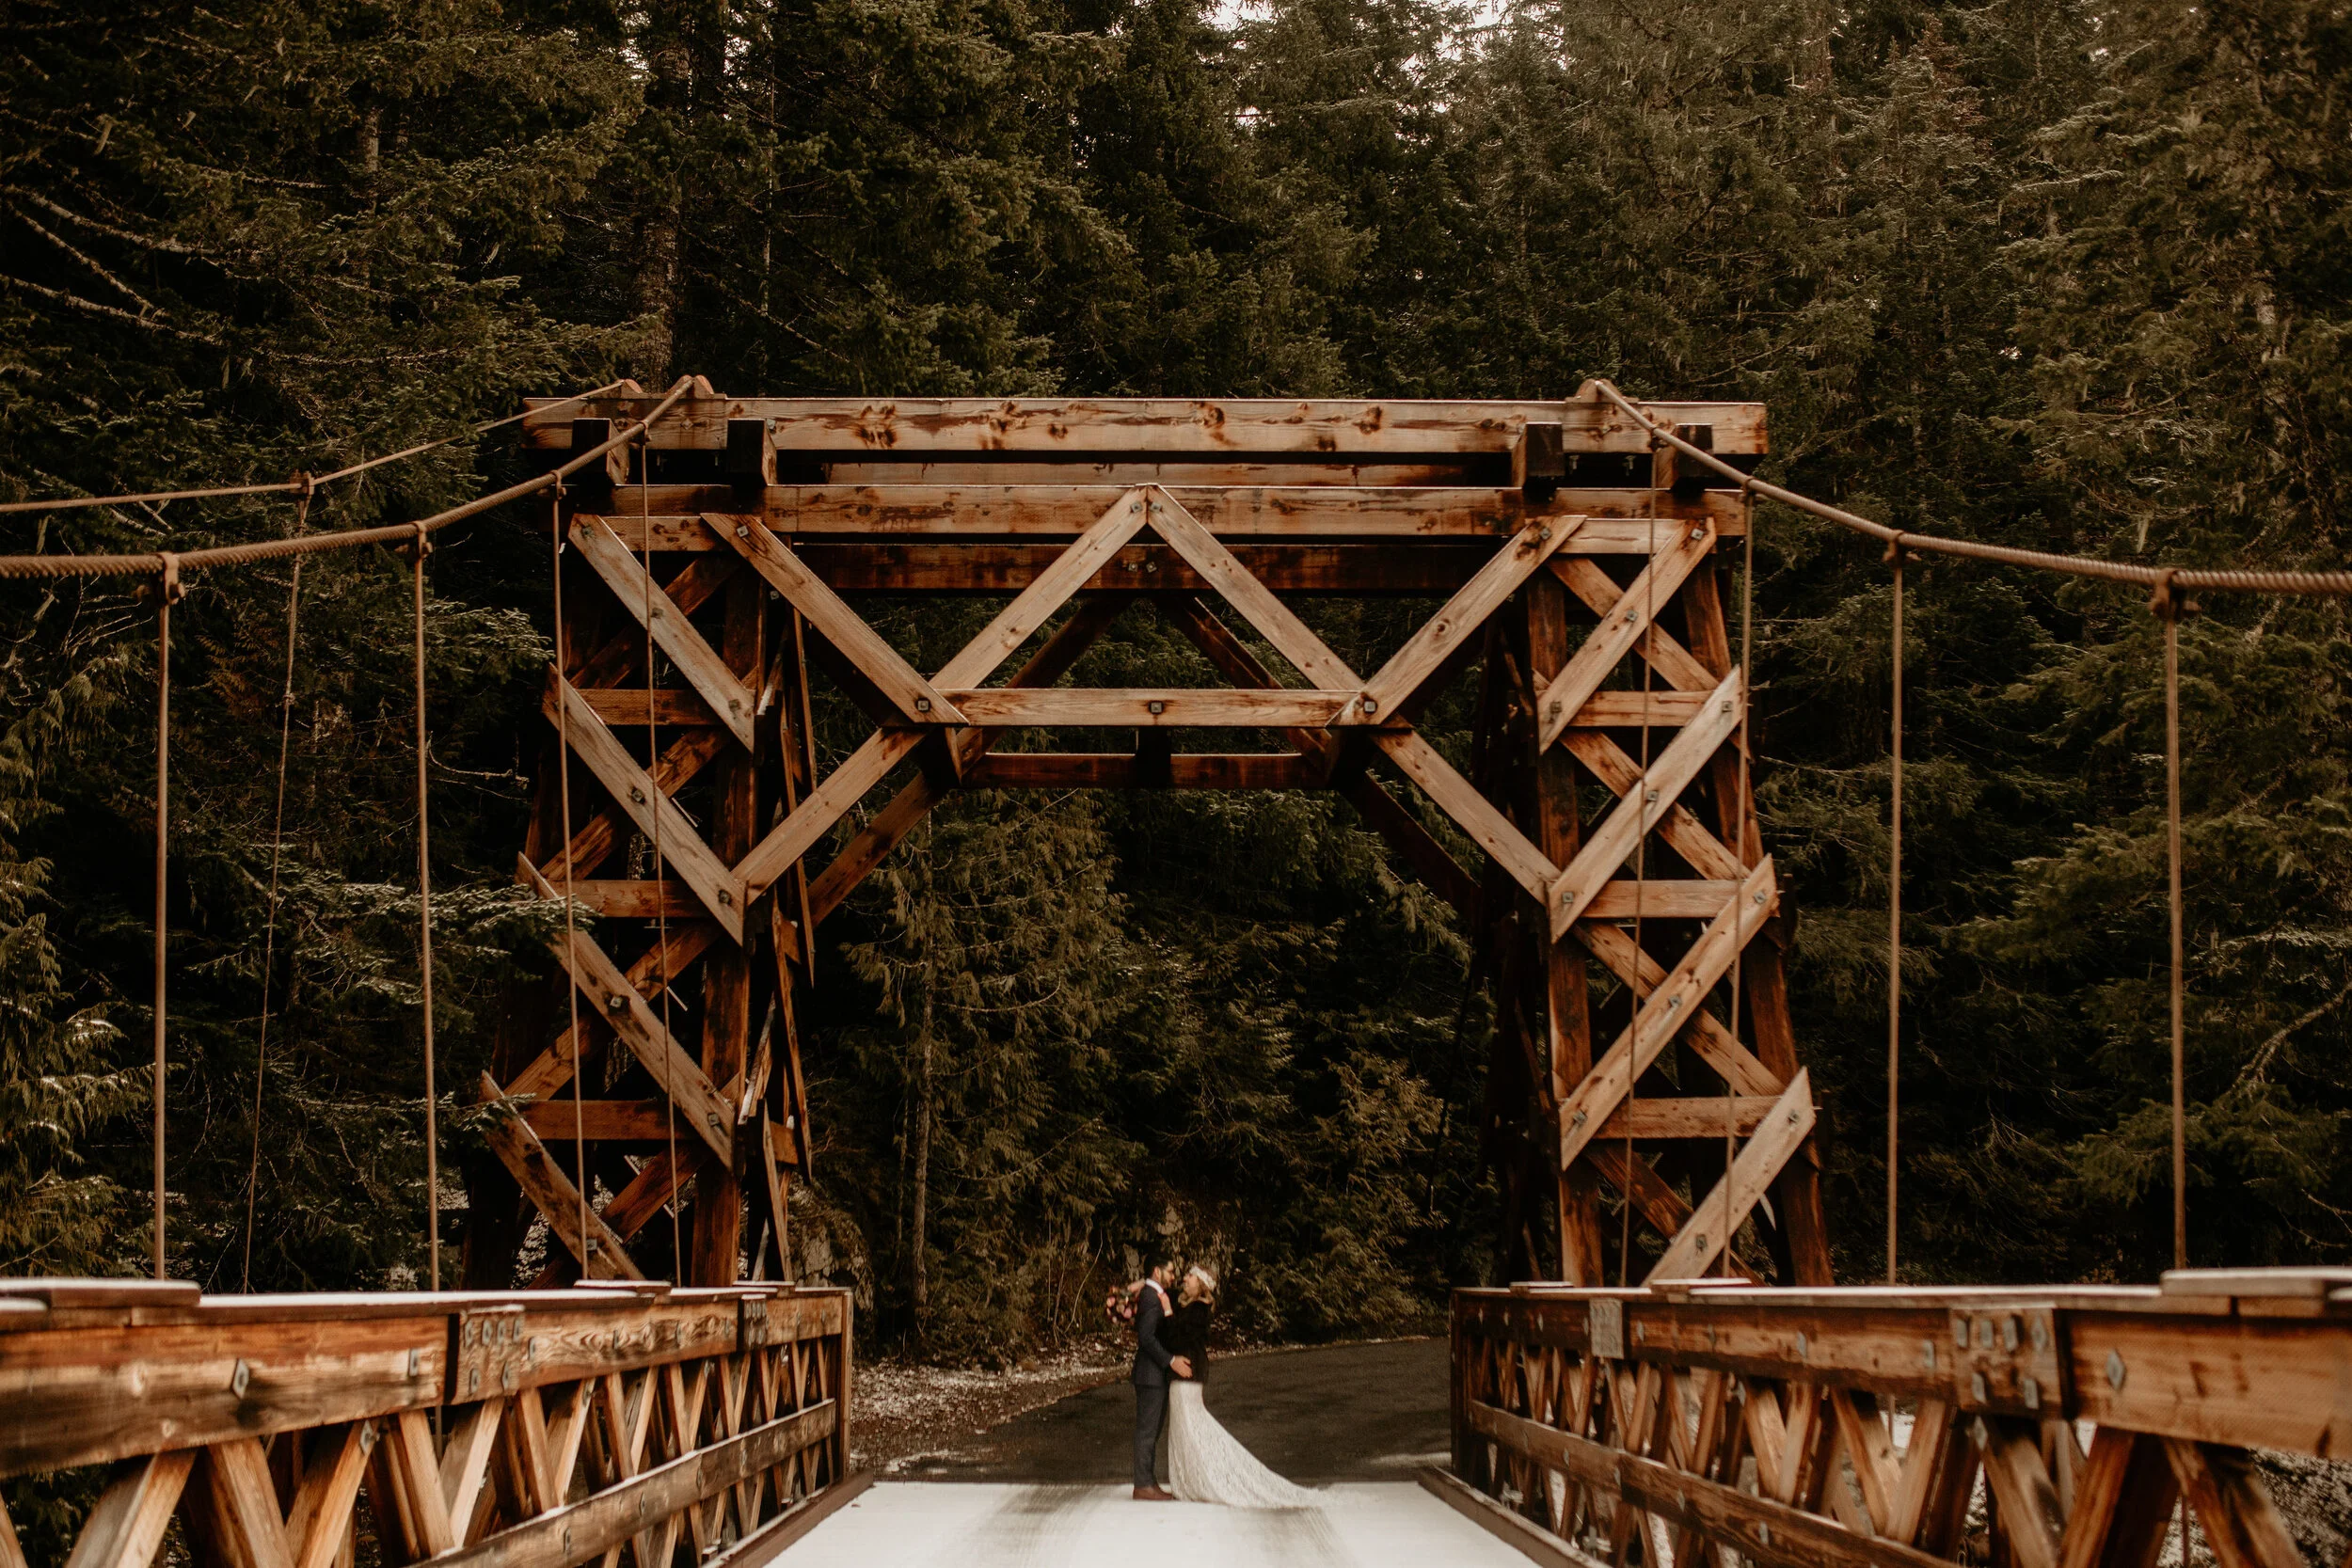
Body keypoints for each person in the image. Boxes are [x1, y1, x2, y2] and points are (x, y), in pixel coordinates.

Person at [1160, 1265, 1317, 1509]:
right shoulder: (1190, 1306)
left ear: (1201, 1284)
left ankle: (1203, 1479)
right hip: (1187, 1371)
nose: (1185, 1279)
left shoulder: (1198, 1309)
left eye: (1191, 1276)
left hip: (1188, 1371)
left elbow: (1177, 1339)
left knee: (1190, 1425)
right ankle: (1192, 1479)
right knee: (1187, 1426)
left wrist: (1168, 1312)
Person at [1124, 1256, 1190, 1500]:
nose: (1173, 1276)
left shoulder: (1152, 1293)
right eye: (1170, 1271)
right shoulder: (1151, 1297)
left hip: (1153, 1375)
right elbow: (1146, 1337)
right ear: (1157, 1271)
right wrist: (1171, 1360)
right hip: (1150, 1375)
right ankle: (1143, 1485)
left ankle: (1148, 1481)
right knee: (1147, 1431)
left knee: (1151, 1431)